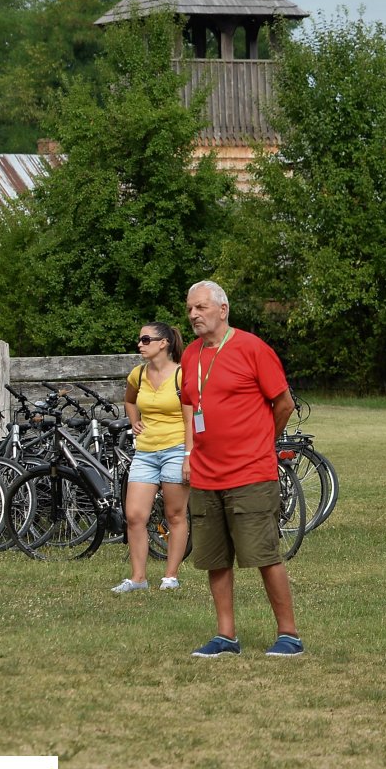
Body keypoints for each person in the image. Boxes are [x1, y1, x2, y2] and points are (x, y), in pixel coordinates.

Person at [178, 281, 302, 658]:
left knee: (263, 554)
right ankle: (226, 635)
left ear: (223, 310)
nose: (194, 315)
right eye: (189, 310)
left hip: (250, 473)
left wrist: (265, 441)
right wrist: (188, 452)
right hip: (205, 473)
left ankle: (289, 635)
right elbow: (190, 406)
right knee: (215, 558)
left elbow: (283, 403)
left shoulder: (252, 348)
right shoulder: (191, 356)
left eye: (201, 307)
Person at [113, 321, 191, 594]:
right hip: (145, 452)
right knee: (135, 515)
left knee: (175, 514)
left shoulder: (183, 375)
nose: (140, 344)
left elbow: (193, 418)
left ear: (164, 343)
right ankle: (138, 578)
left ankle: (171, 575)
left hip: (176, 449)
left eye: (146, 340)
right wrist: (134, 422)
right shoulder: (138, 374)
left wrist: (189, 456)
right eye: (140, 339)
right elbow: (130, 400)